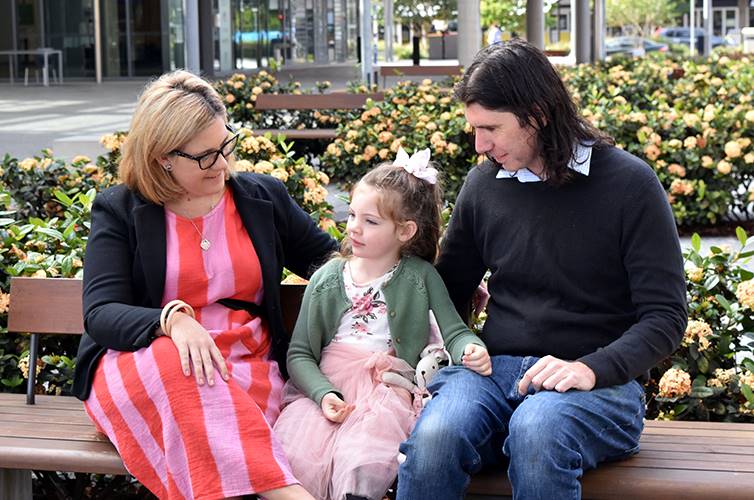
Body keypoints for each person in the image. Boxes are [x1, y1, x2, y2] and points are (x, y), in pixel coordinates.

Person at [396, 39, 687, 499]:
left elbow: (666, 317)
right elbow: (448, 290)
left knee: (537, 428)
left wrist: (591, 368)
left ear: (537, 113)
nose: (479, 145)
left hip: (598, 386)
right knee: (436, 437)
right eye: (474, 129)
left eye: (490, 128)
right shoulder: (484, 185)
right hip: (497, 375)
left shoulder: (631, 185)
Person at [72, 70, 338, 500]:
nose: (222, 164)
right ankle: (286, 493)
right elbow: (100, 313)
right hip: (145, 372)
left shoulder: (261, 198)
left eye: (225, 146)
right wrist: (173, 322)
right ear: (162, 157)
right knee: (173, 360)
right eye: (205, 156)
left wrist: (405, 268)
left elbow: (329, 262)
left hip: (244, 368)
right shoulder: (120, 209)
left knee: (207, 408)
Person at [273, 148, 492, 500]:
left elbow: (454, 331)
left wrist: (471, 347)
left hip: (386, 395)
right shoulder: (328, 279)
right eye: (353, 216)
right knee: (297, 454)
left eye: (371, 221)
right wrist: (323, 392)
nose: (354, 228)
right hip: (329, 387)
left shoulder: (421, 277)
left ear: (405, 230)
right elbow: (300, 353)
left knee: (363, 458)